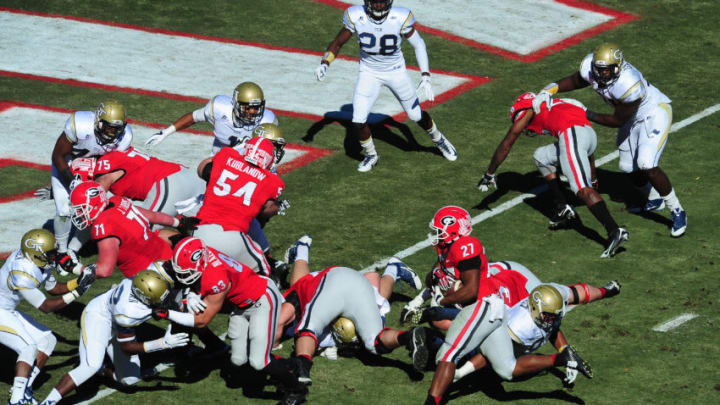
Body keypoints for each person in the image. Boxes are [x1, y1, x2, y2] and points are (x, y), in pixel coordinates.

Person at [533, 42, 686, 237]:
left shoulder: (629, 84)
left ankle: (677, 210)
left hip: (653, 113)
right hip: (631, 119)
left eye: (606, 70)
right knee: (627, 167)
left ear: (617, 68)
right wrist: (549, 90)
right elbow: (576, 80)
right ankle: (654, 197)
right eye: (599, 69)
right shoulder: (593, 68)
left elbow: (617, 120)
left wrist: (584, 113)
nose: (601, 74)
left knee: (646, 164)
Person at [275, 234, 430, 405]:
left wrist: (280, 347)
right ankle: (406, 337)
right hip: (355, 285)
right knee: (374, 342)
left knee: (307, 326)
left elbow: (302, 330)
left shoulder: (301, 296)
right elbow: (371, 277)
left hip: (331, 281)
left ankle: (302, 374)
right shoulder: (330, 331)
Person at [152, 237, 306, 400]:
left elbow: (201, 321)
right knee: (238, 359)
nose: (182, 277)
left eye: (186, 273)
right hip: (242, 304)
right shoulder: (204, 256)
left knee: (259, 362)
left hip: (262, 299)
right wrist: (191, 294)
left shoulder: (217, 279)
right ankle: (291, 365)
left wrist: (167, 313)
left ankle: (297, 390)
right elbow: (195, 278)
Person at [477, 92, 629, 258]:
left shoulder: (529, 110)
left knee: (581, 189)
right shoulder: (561, 103)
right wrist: (592, 173)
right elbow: (587, 147)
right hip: (588, 135)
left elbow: (507, 143)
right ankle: (563, 206)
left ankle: (614, 230)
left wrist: (488, 174)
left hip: (571, 136)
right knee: (541, 157)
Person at [314, 0, 457, 172]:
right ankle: (371, 154)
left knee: (415, 115)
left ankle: (438, 139)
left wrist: (425, 75)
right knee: (358, 120)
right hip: (369, 72)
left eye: (382, 2)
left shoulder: (400, 17)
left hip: (396, 72)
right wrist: (325, 63)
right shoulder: (356, 15)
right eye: (375, 2)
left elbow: (418, 44)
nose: (379, 6)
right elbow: (338, 43)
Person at [38, 271, 189, 405]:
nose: (163, 301)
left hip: (115, 317)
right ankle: (49, 402)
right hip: (98, 318)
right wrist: (162, 343)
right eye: (158, 299)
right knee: (90, 366)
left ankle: (103, 369)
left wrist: (189, 297)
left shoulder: (142, 281)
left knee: (130, 380)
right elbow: (127, 347)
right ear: (143, 298)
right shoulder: (129, 312)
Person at [1, 229, 94, 405]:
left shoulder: (34, 260)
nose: (53, 257)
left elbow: (53, 288)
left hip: (6, 309)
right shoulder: (21, 273)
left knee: (47, 340)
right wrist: (78, 293)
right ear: (37, 254)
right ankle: (16, 400)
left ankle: (24, 388)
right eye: (50, 253)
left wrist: (78, 281)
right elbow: (46, 306)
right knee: (28, 348)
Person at [47, 100, 133, 263]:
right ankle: (62, 252)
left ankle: (73, 249)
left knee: (94, 210)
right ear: (97, 122)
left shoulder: (125, 137)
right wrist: (72, 182)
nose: (112, 133)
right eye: (108, 127)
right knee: (64, 210)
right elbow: (57, 155)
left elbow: (113, 164)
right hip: (67, 162)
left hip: (94, 165)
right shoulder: (80, 125)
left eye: (116, 129)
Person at [68, 181, 199, 278]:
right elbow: (153, 216)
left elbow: (104, 270)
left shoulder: (102, 226)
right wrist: (179, 223)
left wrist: (74, 268)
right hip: (166, 255)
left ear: (94, 204)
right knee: (160, 234)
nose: (79, 214)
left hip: (148, 276)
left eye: (81, 209)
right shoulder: (117, 201)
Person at [194, 137, 285, 276]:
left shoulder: (226, 155)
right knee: (264, 270)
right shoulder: (272, 181)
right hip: (231, 235)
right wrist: (279, 207)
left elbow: (201, 169)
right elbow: (267, 209)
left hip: (198, 229)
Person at [145, 81, 277, 154]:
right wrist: (166, 132)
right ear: (236, 104)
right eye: (248, 107)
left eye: (256, 107)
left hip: (247, 167)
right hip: (217, 160)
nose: (253, 112)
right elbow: (193, 117)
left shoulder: (267, 121)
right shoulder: (219, 108)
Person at [90, 147, 206, 218]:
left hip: (168, 182)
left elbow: (95, 197)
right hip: (188, 175)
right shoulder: (122, 152)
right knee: (207, 225)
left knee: (142, 229)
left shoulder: (105, 162)